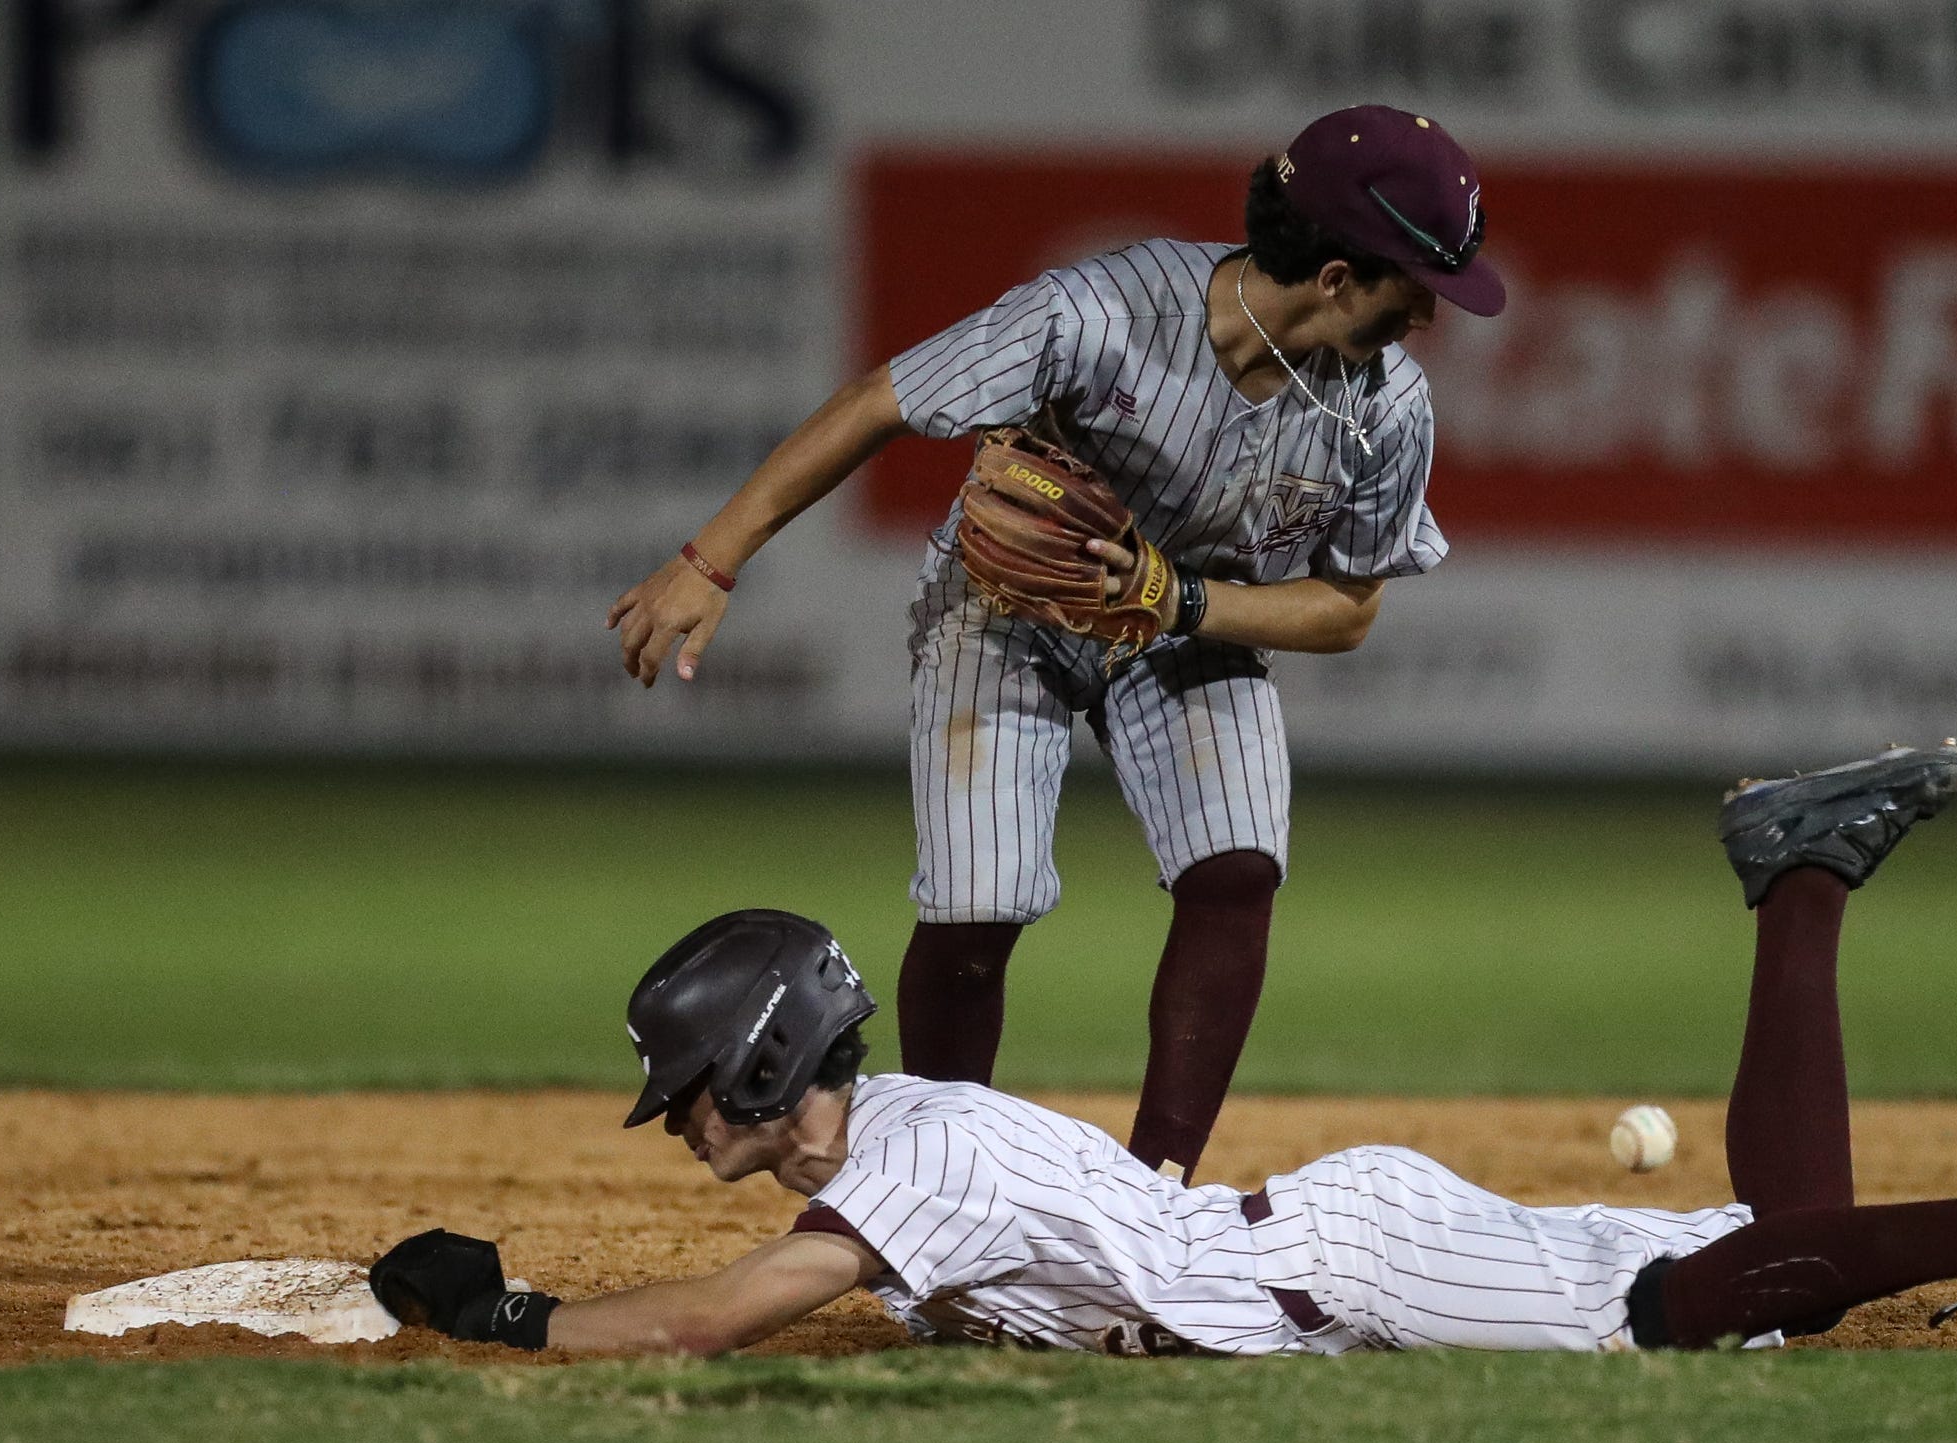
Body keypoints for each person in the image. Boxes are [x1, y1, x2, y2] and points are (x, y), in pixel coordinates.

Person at [369, 743, 1957, 1359]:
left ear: (761, 1072)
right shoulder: (879, 1138)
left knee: (1709, 1305)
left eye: (687, 1092)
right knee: (1760, 1252)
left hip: (1348, 1267)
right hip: (1324, 1254)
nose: (673, 1123)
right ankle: (1802, 873)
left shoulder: (901, 1161)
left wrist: (507, 1314)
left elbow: (710, 1316)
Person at [603, 105, 1506, 1184]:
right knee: (978, 904)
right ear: (1336, 276)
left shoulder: (1388, 407)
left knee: (1237, 866)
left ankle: (1155, 1190)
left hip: (1184, 620)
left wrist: (1176, 600)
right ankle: (937, 1185)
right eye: (1416, 286)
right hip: (1004, 610)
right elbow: (880, 401)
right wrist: (710, 561)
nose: (1429, 316)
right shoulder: (1101, 312)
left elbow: (1347, 609)